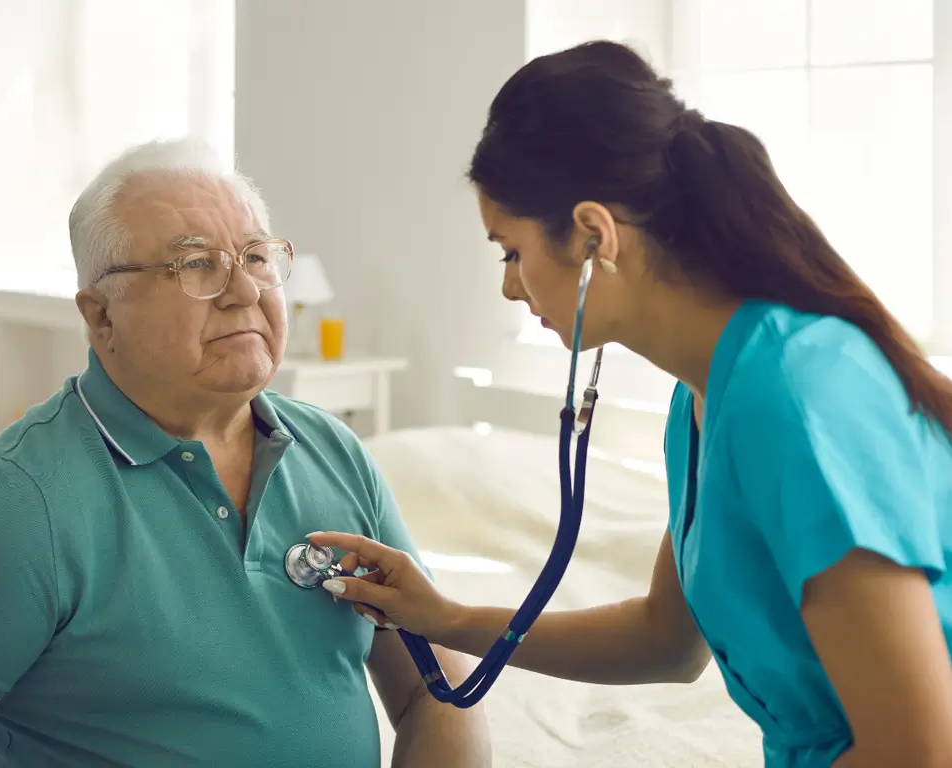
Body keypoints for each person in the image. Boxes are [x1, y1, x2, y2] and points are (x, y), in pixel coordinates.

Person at [309, 41, 952, 768]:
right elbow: (664, 642)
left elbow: (917, 750)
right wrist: (443, 616)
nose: (508, 287)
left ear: (593, 236)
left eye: (509, 251)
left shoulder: (796, 393)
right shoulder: (705, 395)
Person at [0, 138, 490, 768]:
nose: (245, 291)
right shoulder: (22, 504)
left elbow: (439, 689)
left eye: (255, 257)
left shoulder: (333, 452)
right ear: (101, 316)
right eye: (195, 265)